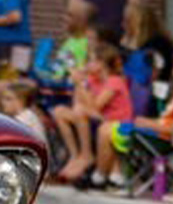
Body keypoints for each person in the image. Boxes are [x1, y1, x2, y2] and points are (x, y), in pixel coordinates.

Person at [90, 47, 173, 191]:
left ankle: (102, 175)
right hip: (158, 132)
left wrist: (150, 124)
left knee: (107, 129)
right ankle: (111, 174)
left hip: (163, 138)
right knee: (106, 128)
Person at [52, 43, 133, 182]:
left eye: (91, 60)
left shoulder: (115, 81)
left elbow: (95, 106)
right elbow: (77, 103)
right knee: (59, 111)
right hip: (99, 118)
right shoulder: (93, 79)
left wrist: (81, 84)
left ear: (101, 64)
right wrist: (80, 83)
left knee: (81, 111)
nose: (87, 64)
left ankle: (86, 154)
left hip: (115, 121)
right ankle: (75, 155)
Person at [122, 0, 173, 84]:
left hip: (152, 89)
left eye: (127, 22)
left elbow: (158, 70)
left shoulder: (158, 43)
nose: (123, 25)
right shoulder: (128, 41)